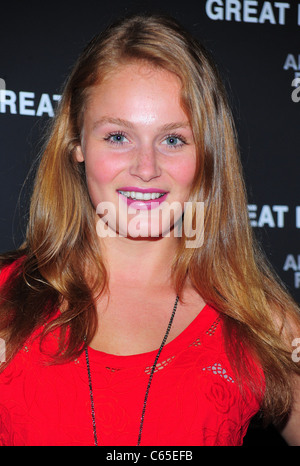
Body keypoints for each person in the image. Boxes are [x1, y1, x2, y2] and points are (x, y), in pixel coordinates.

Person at [0, 13, 299, 447]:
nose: (146, 168)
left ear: (208, 154)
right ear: (78, 144)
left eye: (173, 139)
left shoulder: (260, 320)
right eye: (118, 136)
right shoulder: (7, 304)